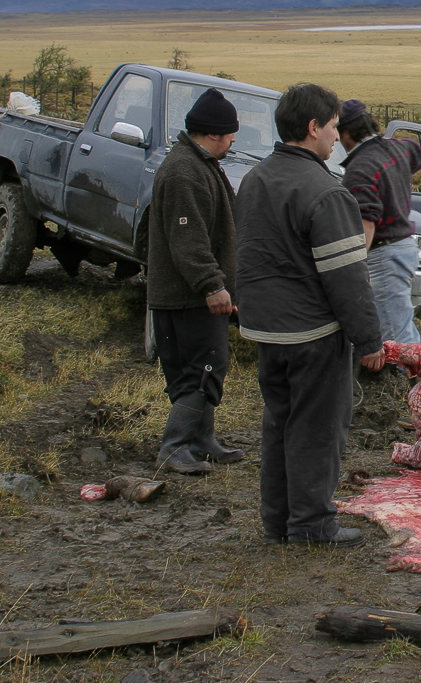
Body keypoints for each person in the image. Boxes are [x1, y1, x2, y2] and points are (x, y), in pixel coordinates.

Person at [234, 83, 387, 547]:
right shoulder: (326, 192)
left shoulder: (255, 179)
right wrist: (369, 340)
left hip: (267, 330)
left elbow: (246, 253)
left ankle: (277, 520)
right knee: (317, 429)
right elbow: (347, 277)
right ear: (312, 127)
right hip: (314, 333)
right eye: (335, 127)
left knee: (279, 423)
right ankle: (312, 524)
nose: (338, 137)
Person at [148, 87, 244, 475]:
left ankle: (200, 440)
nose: (234, 140)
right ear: (215, 133)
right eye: (231, 134)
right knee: (203, 369)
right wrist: (212, 285)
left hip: (185, 295)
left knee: (202, 368)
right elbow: (188, 241)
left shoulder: (198, 164)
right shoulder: (185, 171)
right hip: (187, 297)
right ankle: (173, 448)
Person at [337, 99, 421, 350]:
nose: (335, 139)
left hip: (383, 255)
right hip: (405, 248)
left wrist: (352, 268)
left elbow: (366, 225)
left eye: (337, 131)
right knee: (400, 322)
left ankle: (410, 385)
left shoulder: (360, 169)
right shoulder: (398, 149)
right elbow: (416, 153)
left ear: (346, 133)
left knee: (394, 337)